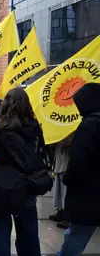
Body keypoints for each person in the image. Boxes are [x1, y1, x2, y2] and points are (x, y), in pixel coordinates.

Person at [0, 88, 43, 256]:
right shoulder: (33, 126)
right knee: (28, 232)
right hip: (25, 184)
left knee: (0, 233)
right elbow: (40, 152)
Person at [58, 83, 100, 256]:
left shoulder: (89, 125)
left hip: (88, 194)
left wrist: (68, 178)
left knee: (75, 240)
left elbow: (79, 161)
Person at [49, 133, 74, 229]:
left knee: (65, 190)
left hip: (67, 158)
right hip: (60, 157)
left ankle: (67, 215)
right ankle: (61, 210)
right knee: (59, 187)